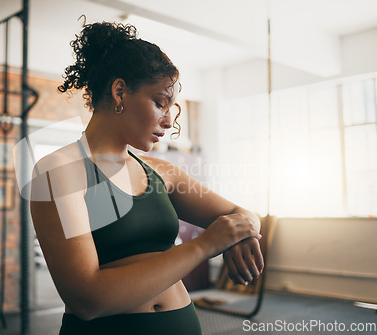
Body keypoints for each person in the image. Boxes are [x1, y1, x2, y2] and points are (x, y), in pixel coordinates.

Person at [30, 19, 263, 335]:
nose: (168, 121)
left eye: (172, 108)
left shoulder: (160, 170)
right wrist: (205, 245)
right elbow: (88, 300)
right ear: (119, 91)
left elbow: (243, 214)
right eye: (160, 103)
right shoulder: (58, 171)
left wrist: (244, 232)